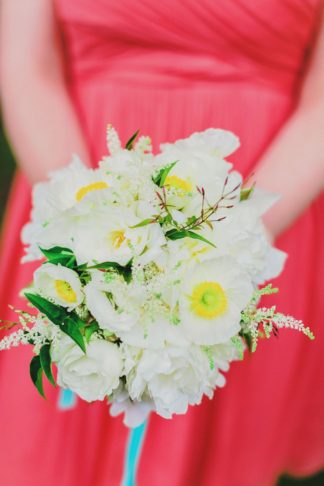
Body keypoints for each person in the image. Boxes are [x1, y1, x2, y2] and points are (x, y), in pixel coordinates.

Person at [0, 1, 324, 485]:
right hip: (76, 201)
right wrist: (85, 229)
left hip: (261, 211)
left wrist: (229, 242)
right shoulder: (77, 220)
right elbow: (28, 71)